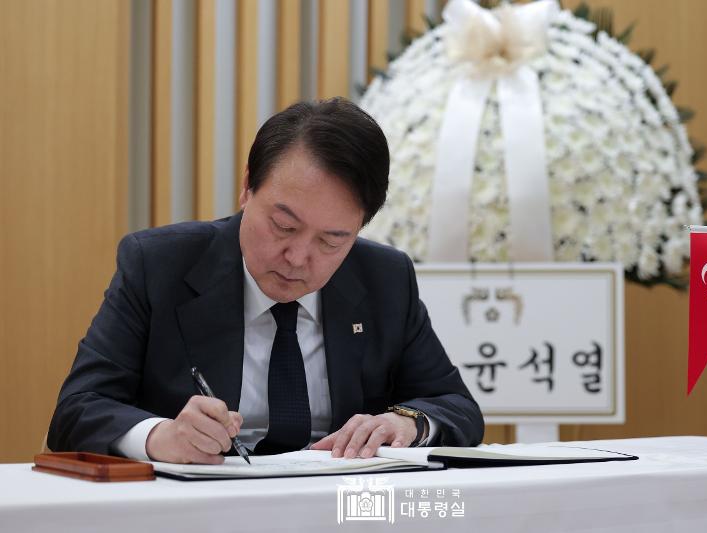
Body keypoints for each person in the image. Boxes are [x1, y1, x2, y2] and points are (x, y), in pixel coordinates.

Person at [48, 98, 484, 464]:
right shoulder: (159, 264)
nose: (297, 258)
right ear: (247, 189)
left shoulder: (385, 278)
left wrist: (404, 423)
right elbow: (77, 411)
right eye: (283, 226)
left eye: (332, 240)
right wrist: (161, 436)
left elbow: (457, 407)